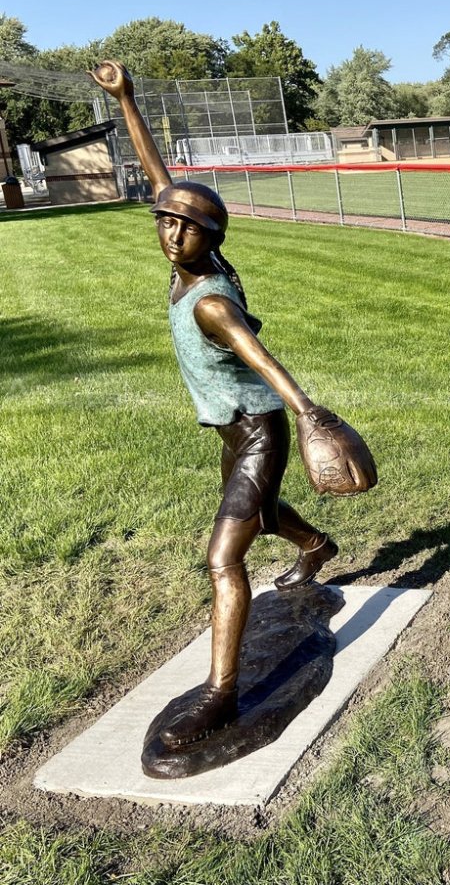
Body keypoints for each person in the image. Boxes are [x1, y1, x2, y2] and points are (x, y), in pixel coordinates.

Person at [89, 61, 375, 748]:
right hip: (232, 429)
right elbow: (162, 177)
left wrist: (313, 416)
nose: (168, 233)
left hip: (259, 429)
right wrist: (128, 99)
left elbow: (263, 360)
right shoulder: (191, 258)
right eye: (164, 224)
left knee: (224, 557)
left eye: (183, 230)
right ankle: (315, 544)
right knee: (263, 511)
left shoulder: (212, 301)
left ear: (207, 239)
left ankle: (220, 694)